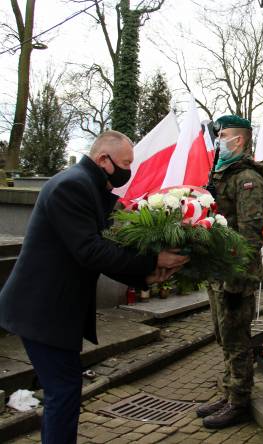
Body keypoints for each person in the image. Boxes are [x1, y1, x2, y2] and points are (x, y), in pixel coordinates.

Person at [0, 130, 189, 444]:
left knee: (64, 389)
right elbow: (91, 251)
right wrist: (155, 259)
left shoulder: (90, 187)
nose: (128, 172)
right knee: (63, 391)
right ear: (103, 159)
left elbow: (112, 245)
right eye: (125, 164)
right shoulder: (71, 186)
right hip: (41, 311)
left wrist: (146, 276)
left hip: (55, 312)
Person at [197, 115, 263, 429]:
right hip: (218, 270)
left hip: (235, 274)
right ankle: (229, 391)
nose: (219, 141)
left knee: (236, 337)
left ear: (238, 141)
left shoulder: (247, 179)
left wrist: (237, 277)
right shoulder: (223, 173)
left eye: (223, 135)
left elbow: (251, 234)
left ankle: (239, 400)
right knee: (223, 335)